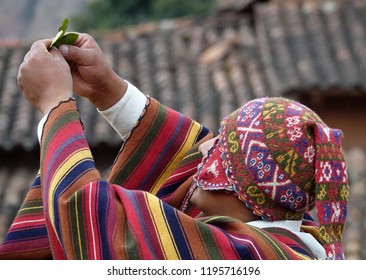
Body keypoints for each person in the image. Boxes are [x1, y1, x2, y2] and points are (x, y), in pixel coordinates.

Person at [0, 33, 349, 260]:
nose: (202, 151)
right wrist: (107, 89)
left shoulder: (242, 260)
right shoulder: (284, 226)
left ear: (247, 195)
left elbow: (97, 222)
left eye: (220, 154)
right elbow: (187, 152)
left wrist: (55, 104)